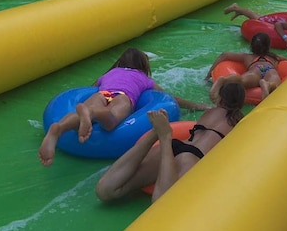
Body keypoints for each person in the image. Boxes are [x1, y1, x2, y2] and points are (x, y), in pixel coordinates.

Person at [38, 48, 208, 166]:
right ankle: (95, 113)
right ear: (143, 66)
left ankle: (59, 128)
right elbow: (170, 98)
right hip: (122, 97)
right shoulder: (143, 79)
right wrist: (197, 105)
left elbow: (91, 88)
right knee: (110, 120)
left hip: (102, 94)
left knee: (87, 110)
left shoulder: (109, 74)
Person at [94, 80, 245, 203]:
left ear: (220, 98)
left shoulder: (209, 112)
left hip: (177, 145)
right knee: (161, 204)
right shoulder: (239, 121)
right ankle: (164, 136)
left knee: (105, 191)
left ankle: (157, 134)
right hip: (194, 156)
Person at [205, 32, 287, 101]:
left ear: (251, 46)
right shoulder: (275, 57)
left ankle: (224, 79)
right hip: (270, 70)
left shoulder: (247, 57)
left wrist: (209, 74)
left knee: (241, 80)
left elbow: (224, 55)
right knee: (276, 85)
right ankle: (268, 85)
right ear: (268, 46)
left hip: (255, 69)